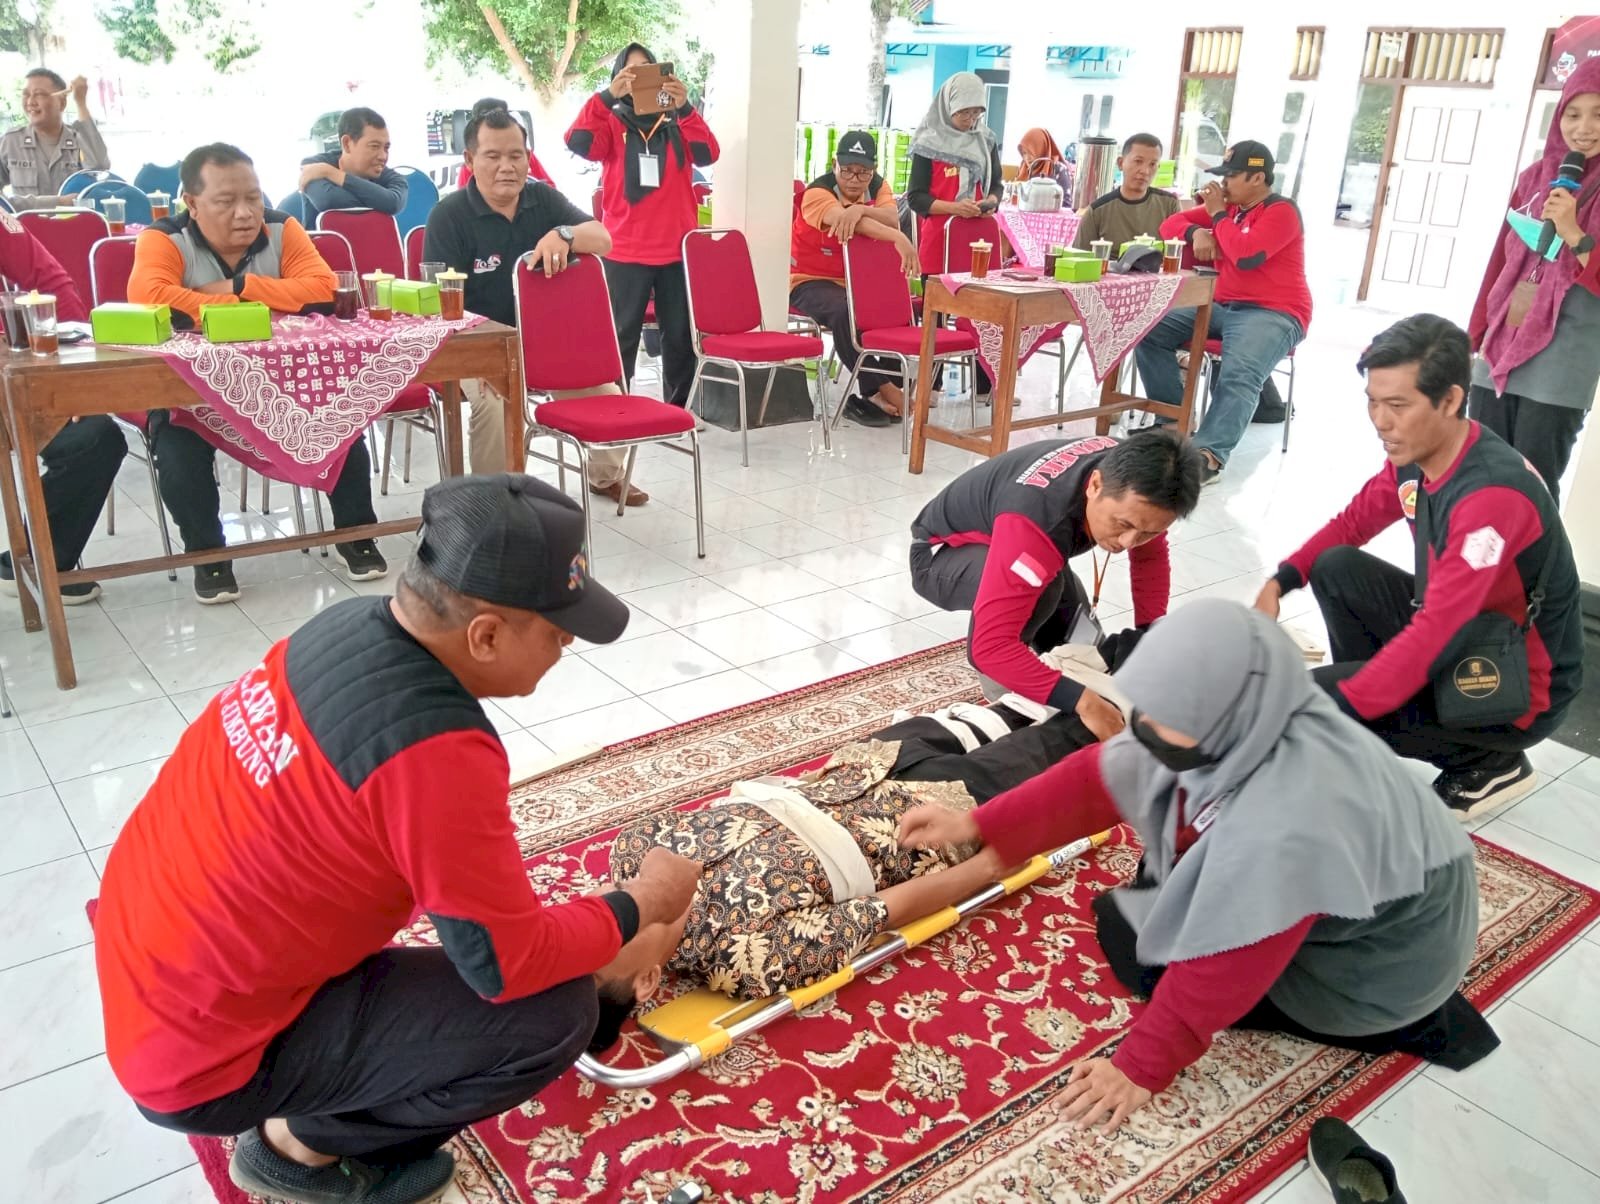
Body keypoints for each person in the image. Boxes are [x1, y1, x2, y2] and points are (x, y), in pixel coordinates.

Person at [94, 474, 702, 1204]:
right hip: (200, 1057)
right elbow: (508, 965)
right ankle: (299, 1150)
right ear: (485, 634)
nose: (568, 641)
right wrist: (641, 901)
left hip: (155, 975)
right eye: (556, 626)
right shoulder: (435, 750)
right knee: (554, 1014)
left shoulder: (341, 627)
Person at [899, 599, 1498, 1134]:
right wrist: (980, 825)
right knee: (1161, 867)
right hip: (1388, 910)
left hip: (1372, 975)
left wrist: (1141, 1066)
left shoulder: (1293, 818)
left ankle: (1372, 1015)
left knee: (1135, 938)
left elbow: (1230, 952)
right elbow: (1106, 774)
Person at [607, 662, 1139, 1007]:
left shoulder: (631, 853)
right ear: (647, 981)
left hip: (859, 766)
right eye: (602, 945)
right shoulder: (746, 958)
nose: (601, 917)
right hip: (927, 817)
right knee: (1082, 732)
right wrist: (985, 867)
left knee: (994, 715)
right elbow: (890, 908)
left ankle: (1095, 665)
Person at [1253, 315, 1583, 818]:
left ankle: (1490, 762)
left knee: (1317, 700)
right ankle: (1369, 725)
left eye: (1398, 405)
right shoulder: (1417, 453)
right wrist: (1284, 578)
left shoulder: (1492, 499)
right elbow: (1352, 524)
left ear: (1450, 400)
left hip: (1516, 680)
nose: (1381, 421)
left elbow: (1437, 632)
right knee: (1337, 566)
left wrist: (1339, 703)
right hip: (1468, 632)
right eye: (1373, 401)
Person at [128, 142, 387, 603]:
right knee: (175, 445)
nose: (245, 213)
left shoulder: (282, 227)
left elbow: (324, 288)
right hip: (195, 393)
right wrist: (265, 305)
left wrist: (240, 286)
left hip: (289, 387)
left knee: (345, 421)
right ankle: (207, 556)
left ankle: (357, 534)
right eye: (226, 202)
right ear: (191, 203)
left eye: (253, 197)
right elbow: (152, 299)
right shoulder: (163, 239)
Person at [909, 429, 1201, 741]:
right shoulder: (1039, 520)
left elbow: (1149, 560)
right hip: (940, 556)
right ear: (1095, 485)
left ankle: (1048, 681)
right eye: (1123, 525)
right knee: (1041, 594)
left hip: (1019, 540)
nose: (1130, 542)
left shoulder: (1144, 480)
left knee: (1085, 649)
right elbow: (990, 648)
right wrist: (1085, 703)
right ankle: (1006, 707)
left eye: (1147, 533)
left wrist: (1150, 634)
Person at [422, 109, 642, 503]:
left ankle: (603, 475)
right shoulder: (448, 217)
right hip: (477, 345)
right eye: (493, 156)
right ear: (470, 161)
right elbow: (441, 307)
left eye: (516, 155)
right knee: (494, 407)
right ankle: (494, 502)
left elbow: (603, 239)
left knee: (610, 397)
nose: (506, 167)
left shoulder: (541, 199)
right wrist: (483, 358)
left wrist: (564, 233)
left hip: (546, 343)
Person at [1135, 141, 1312, 484]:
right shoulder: (1232, 210)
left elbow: (1247, 255)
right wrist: (1198, 230)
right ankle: (1173, 422)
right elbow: (1169, 224)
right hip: (1224, 306)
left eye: (1231, 176)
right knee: (1147, 327)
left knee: (1239, 371)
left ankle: (1208, 455)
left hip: (1275, 312)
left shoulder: (1282, 211)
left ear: (1258, 177)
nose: (1223, 185)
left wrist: (1216, 217)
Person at [1467, 55, 1600, 505]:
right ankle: (1475, 572)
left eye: (1599, 114)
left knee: (1531, 488)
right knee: (1480, 471)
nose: (1583, 128)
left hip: (1565, 357)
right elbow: (1499, 263)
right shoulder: (1537, 177)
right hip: (1503, 343)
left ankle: (1529, 577)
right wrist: (1477, 331)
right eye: (1573, 113)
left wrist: (1575, 234)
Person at [565, 44, 718, 409]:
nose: (640, 79)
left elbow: (708, 154)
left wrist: (684, 107)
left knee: (680, 337)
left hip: (676, 250)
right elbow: (577, 141)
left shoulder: (679, 122)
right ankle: (615, 407)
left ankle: (677, 412)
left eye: (648, 70)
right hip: (624, 249)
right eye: (631, 73)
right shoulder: (612, 120)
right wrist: (605, 98)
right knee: (620, 338)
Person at [0, 211, 126, 604]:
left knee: (94, 437)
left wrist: (71, 372)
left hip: (10, 369)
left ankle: (46, 559)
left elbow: (49, 280)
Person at [789, 129, 919, 428]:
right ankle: (880, 388)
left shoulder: (877, 185)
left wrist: (859, 209)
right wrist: (898, 238)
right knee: (846, 311)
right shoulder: (816, 193)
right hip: (808, 281)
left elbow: (889, 216)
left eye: (863, 173)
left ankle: (889, 388)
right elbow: (853, 224)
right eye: (847, 170)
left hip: (857, 282)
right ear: (835, 164)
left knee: (896, 309)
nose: (854, 179)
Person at [905, 72, 1003, 400]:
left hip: (977, 240)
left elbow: (996, 186)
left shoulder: (986, 140)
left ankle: (984, 384)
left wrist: (989, 202)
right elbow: (916, 198)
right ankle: (930, 386)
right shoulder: (928, 142)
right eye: (963, 113)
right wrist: (953, 207)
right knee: (937, 315)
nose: (969, 120)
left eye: (976, 113)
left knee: (981, 312)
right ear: (948, 107)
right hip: (939, 237)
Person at [0, 68, 110, 209]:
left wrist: (81, 103)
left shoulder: (79, 139)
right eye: (26, 95)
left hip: (73, 227)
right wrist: (57, 202)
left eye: (39, 95)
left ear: (62, 103)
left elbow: (100, 167)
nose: (30, 101)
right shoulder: (11, 142)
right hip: (27, 227)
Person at [297, 106, 409, 225]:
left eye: (386, 148)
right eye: (374, 146)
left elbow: (393, 203)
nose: (383, 156)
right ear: (347, 144)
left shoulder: (390, 177)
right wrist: (380, 201)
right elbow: (330, 201)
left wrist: (332, 173)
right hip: (323, 243)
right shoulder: (313, 166)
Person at [1072, 133, 1179, 252]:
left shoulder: (1169, 205)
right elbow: (1079, 257)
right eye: (1138, 161)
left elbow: (1177, 251)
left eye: (1152, 164)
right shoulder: (1097, 211)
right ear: (1120, 163)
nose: (1145, 171)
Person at [456, 97, 557, 189]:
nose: (506, 168)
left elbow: (551, 187)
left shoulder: (524, 155)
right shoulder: (469, 166)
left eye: (515, 157)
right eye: (492, 157)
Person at [1016, 127, 1072, 194]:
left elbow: (1066, 203)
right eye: (1024, 153)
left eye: (1031, 152)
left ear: (1041, 148)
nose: (1027, 158)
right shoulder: (1024, 167)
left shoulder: (1058, 169)